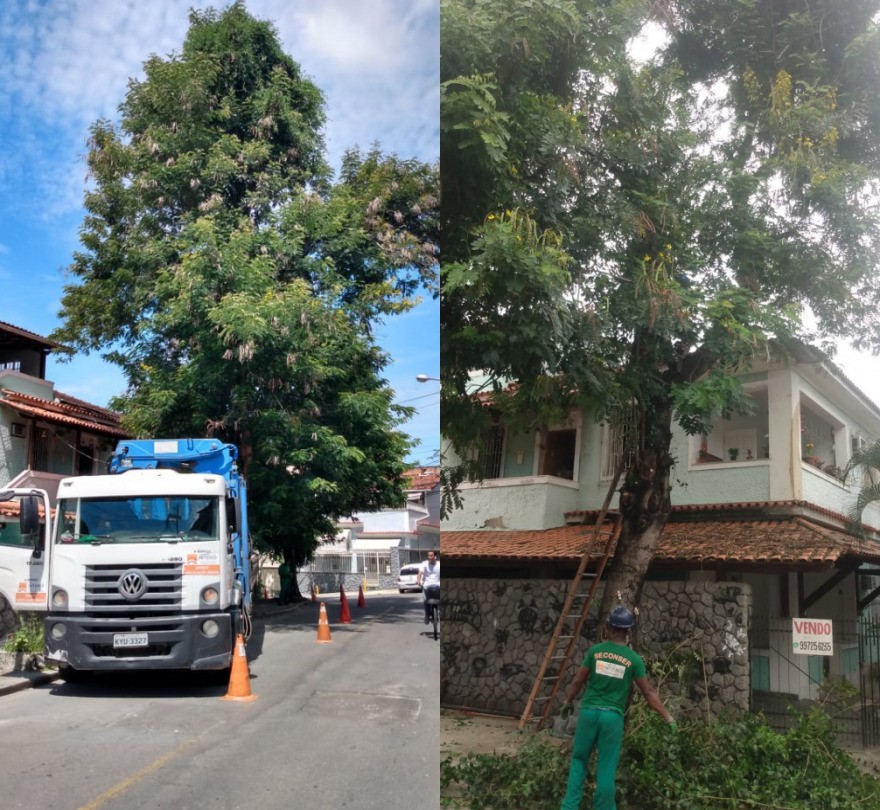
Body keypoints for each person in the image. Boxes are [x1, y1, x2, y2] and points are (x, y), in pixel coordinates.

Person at [559, 606, 675, 810]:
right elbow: (648, 693)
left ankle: (569, 807)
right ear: (628, 631)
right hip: (612, 718)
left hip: (588, 713)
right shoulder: (633, 659)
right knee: (606, 767)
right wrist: (668, 717)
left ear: (609, 627)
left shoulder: (595, 652)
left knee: (578, 761)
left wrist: (568, 702)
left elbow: (578, 681)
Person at [416, 549, 440, 624]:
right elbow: (420, 573)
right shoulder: (424, 564)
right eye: (428, 555)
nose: (429, 557)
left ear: (435, 557)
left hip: (437, 584)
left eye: (431, 555)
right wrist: (418, 580)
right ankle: (427, 615)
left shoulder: (439, 564)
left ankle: (439, 614)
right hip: (426, 585)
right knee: (425, 600)